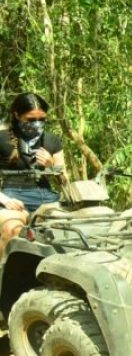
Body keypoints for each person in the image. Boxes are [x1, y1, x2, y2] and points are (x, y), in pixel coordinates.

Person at [0, 92, 66, 254]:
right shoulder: (2, 139)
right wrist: (6, 200)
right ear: (17, 115)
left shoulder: (52, 140)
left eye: (41, 119)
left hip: (47, 198)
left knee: (67, 229)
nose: (37, 124)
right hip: (12, 196)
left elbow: (65, 182)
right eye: (30, 119)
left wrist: (52, 168)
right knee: (11, 228)